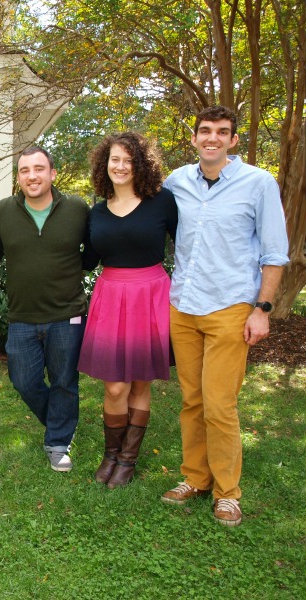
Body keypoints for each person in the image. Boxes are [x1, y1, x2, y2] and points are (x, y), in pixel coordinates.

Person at [160, 106, 289, 526]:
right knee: (192, 400)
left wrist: (262, 310)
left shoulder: (258, 183)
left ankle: (228, 493)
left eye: (221, 132)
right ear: (194, 138)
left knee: (219, 404)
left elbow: (274, 253)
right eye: (205, 131)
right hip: (184, 305)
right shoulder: (177, 181)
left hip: (230, 307)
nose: (211, 138)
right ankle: (195, 478)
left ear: (233, 140)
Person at [77, 132, 178, 488]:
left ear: (141, 165)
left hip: (150, 294)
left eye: (129, 160)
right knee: (115, 386)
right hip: (110, 295)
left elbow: (187, 246)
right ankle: (110, 455)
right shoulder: (97, 211)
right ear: (105, 164)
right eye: (115, 160)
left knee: (139, 380)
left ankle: (127, 460)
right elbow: (87, 260)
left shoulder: (162, 202)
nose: (121, 166)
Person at [0, 146, 92, 472]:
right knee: (24, 381)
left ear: (52, 173)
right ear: (18, 177)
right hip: (22, 315)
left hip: (67, 315)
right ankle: (61, 421)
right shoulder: (3, 211)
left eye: (38, 169)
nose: (32, 176)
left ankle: (58, 443)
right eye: (24, 170)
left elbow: (91, 253)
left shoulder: (77, 209)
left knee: (64, 381)